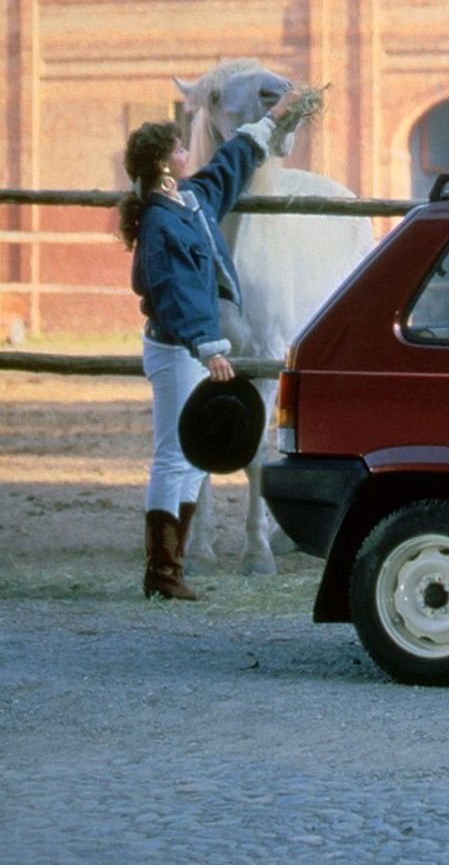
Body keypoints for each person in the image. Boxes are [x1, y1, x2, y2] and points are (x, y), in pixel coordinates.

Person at [118, 90, 300, 600]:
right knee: (172, 456)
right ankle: (162, 573)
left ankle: (172, 569)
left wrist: (272, 120)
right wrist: (209, 347)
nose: (186, 153)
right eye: (178, 149)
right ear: (162, 164)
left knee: (189, 456)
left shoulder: (190, 202)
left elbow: (228, 167)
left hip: (189, 351)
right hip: (175, 351)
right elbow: (175, 292)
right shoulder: (160, 223)